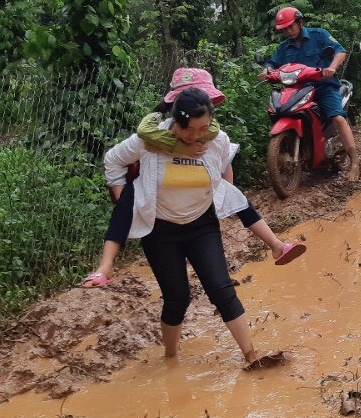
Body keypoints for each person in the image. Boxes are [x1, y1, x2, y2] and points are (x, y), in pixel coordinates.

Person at [99, 88, 281, 368]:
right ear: (176, 123)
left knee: (222, 289)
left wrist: (224, 199)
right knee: (177, 298)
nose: (198, 136)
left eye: (204, 128)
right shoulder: (149, 142)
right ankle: (170, 359)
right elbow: (113, 160)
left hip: (202, 224)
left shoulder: (216, 140)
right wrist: (122, 198)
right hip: (160, 232)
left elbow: (222, 169)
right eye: (190, 130)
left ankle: (251, 356)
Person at [81, 69, 305, 289]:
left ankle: (276, 244)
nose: (197, 134)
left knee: (237, 199)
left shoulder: (213, 135)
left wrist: (225, 193)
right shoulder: (153, 136)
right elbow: (121, 153)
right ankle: (106, 265)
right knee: (125, 203)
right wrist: (118, 190)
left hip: (198, 209)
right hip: (156, 207)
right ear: (178, 109)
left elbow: (224, 163)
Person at [267, 6, 360, 181]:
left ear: (300, 22)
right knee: (279, 111)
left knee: (338, 118)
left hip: (324, 87)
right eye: (284, 29)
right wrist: (267, 71)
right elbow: (272, 64)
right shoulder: (283, 48)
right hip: (297, 90)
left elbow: (340, 51)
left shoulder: (319, 35)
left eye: (290, 27)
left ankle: (355, 162)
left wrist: (331, 67)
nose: (288, 31)